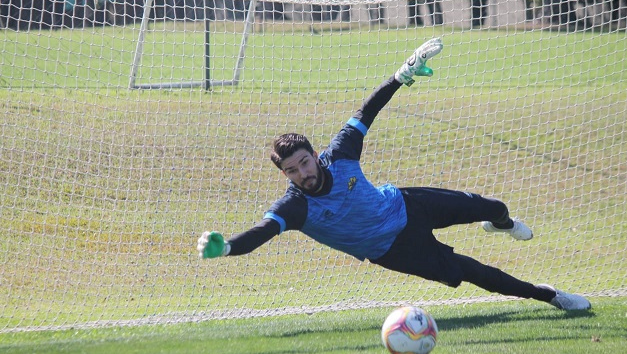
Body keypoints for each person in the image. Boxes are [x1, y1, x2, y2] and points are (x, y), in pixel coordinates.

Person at [197, 37, 591, 311]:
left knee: (494, 206)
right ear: (284, 174)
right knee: (473, 272)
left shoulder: (340, 153)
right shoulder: (295, 207)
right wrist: (226, 248)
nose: (302, 173)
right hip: (394, 250)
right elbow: (260, 234)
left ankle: (500, 223)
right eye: (291, 170)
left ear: (315, 155)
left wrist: (403, 73)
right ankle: (550, 296)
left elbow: (368, 110)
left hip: (406, 203)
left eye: (304, 162)